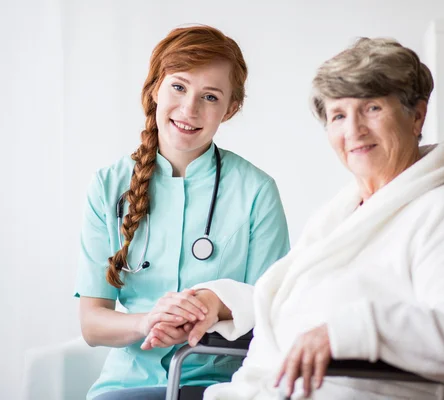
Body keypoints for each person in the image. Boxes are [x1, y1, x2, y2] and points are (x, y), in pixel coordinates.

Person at [193, 38, 444, 399]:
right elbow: (304, 305)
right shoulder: (347, 212)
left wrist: (349, 332)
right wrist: (220, 301)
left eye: (371, 109)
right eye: (338, 116)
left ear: (417, 116)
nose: (353, 130)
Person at [74, 25, 290, 400]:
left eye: (210, 96)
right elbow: (92, 323)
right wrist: (148, 322)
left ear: (231, 108)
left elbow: (271, 309)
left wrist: (212, 308)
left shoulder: (256, 192)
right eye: (178, 87)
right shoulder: (108, 186)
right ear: (155, 87)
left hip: (222, 386)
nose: (189, 109)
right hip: (127, 386)